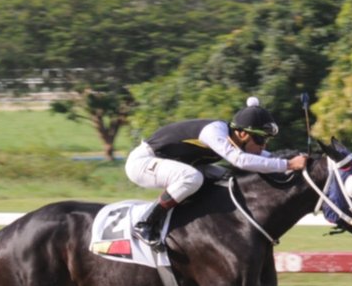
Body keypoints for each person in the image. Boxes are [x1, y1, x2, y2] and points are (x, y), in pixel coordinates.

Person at [125, 98, 308, 247]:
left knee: (228, 178)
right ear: (243, 134)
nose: (263, 145)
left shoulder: (235, 137)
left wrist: (294, 157)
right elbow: (241, 160)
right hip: (143, 162)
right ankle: (146, 223)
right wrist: (288, 165)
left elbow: (265, 157)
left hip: (177, 163)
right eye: (260, 139)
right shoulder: (214, 132)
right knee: (192, 178)